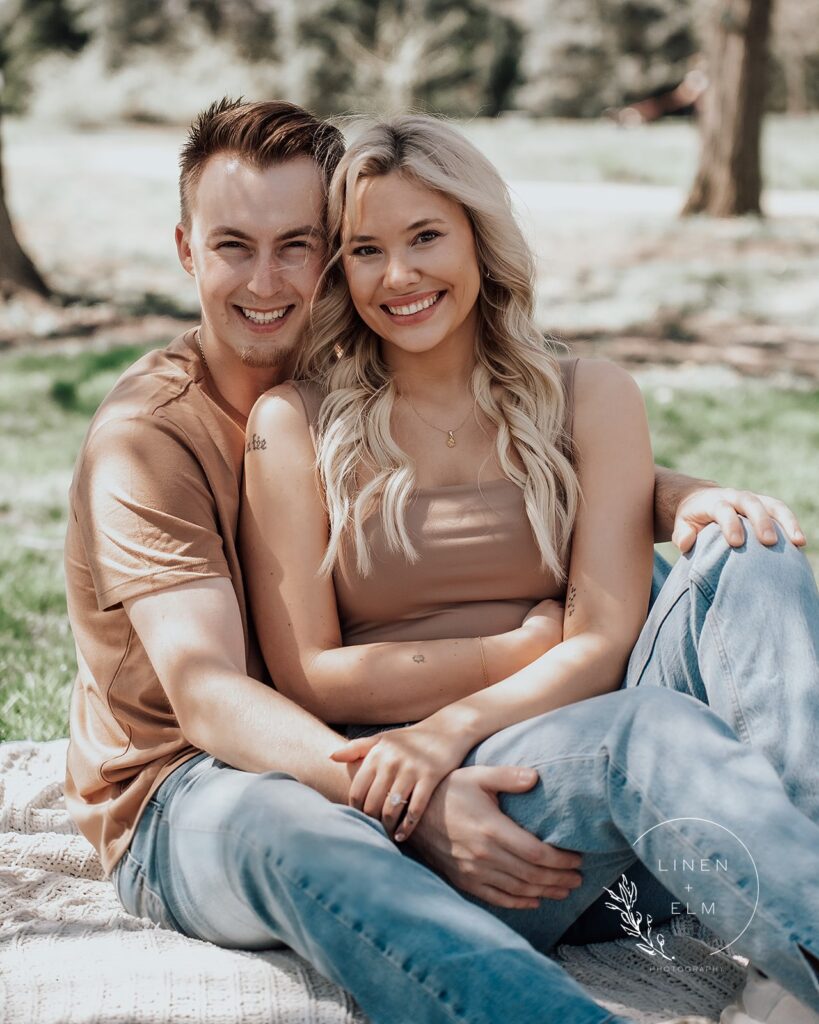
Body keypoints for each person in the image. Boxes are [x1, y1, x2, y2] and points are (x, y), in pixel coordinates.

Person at [63, 98, 812, 1024]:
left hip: (510, 738)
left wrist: (669, 495)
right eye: (232, 247)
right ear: (187, 250)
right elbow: (213, 692)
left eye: (298, 245)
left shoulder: (535, 388)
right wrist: (424, 786)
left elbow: (515, 486)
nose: (268, 280)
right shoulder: (177, 435)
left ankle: (792, 933)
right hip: (236, 776)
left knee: (754, 554)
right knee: (626, 732)